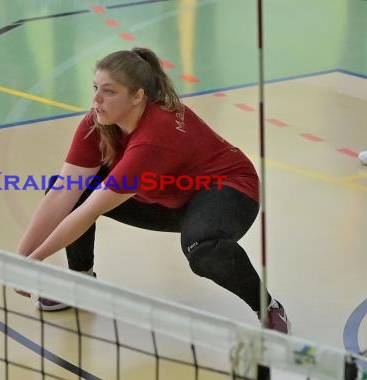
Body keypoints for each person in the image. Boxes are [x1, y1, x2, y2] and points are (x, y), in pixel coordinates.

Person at [15, 47, 291, 334]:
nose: (96, 99)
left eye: (109, 92)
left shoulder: (155, 136)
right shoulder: (96, 124)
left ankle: (267, 307)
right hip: (168, 195)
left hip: (227, 190)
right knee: (73, 188)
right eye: (96, 87)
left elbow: (89, 212)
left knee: (203, 248)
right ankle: (82, 282)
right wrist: (20, 260)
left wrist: (35, 261)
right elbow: (63, 194)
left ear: (137, 96)